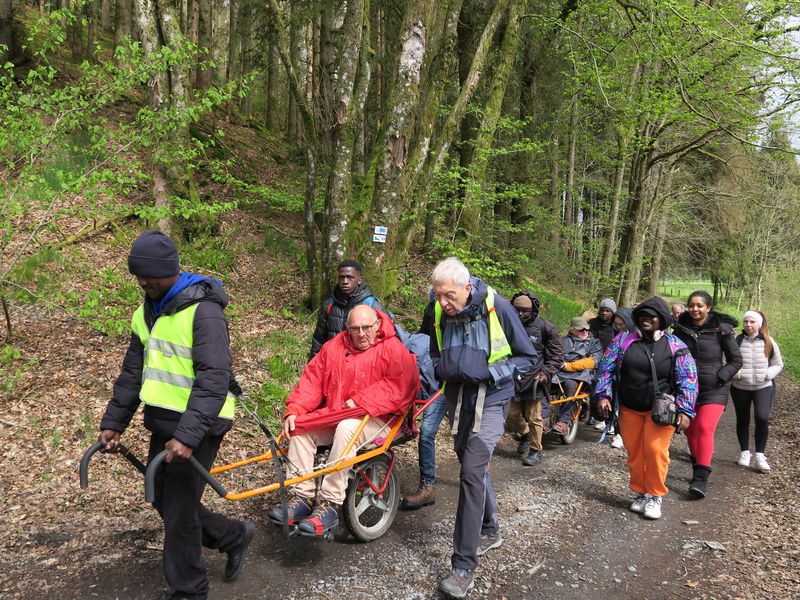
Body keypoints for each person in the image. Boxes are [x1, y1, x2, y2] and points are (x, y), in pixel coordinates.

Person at [97, 230, 255, 600]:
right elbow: (132, 373)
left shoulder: (205, 312)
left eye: (148, 274)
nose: (142, 281)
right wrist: (113, 422)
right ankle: (234, 536)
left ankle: (190, 591)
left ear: (168, 271)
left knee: (180, 511)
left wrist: (188, 435)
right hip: (164, 421)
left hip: (202, 422)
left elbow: (214, 379)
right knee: (162, 501)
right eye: (137, 274)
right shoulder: (146, 312)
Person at [430, 257, 537, 599]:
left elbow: (528, 357)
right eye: (437, 295)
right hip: (457, 399)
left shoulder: (497, 307)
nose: (442, 303)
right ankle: (491, 527)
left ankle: (463, 567)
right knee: (470, 464)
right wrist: (438, 367)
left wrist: (490, 373)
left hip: (491, 400)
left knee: (471, 472)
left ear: (467, 287)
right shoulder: (436, 310)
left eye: (449, 295)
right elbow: (430, 349)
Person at [267, 305, 419, 534]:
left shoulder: (392, 348)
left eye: (367, 328)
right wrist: (295, 409)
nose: (361, 334)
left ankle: (330, 503)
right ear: (347, 328)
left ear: (377, 326)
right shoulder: (334, 347)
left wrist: (362, 400)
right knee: (300, 428)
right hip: (338, 414)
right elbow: (312, 380)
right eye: (355, 329)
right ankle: (301, 496)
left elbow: (400, 385)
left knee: (348, 428)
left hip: (379, 418)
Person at [594, 297, 698, 520]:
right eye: (642, 316)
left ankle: (655, 495)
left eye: (652, 316)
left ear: (661, 319)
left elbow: (688, 378)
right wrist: (604, 395)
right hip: (630, 408)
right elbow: (605, 370)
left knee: (655, 451)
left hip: (661, 411)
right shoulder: (622, 341)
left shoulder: (675, 345)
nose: (646, 319)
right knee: (635, 454)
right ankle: (641, 492)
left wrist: (686, 411)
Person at [672, 290, 742, 498]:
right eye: (691, 305)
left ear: (708, 308)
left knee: (704, 427)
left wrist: (720, 376)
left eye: (700, 306)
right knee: (690, 431)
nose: (695, 309)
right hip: (687, 389)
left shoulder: (722, 329)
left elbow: (736, 360)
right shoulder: (679, 328)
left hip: (715, 388)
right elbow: (671, 354)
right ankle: (699, 461)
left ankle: (700, 479)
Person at [506, 291, 564, 466]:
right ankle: (525, 436)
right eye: (517, 310)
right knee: (512, 416)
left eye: (525, 311)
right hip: (512, 377)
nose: (520, 314)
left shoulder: (545, 327)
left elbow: (557, 355)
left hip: (535, 380)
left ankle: (536, 449)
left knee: (534, 417)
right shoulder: (507, 325)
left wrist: (546, 373)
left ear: (533, 310)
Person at [731, 310, 783, 472]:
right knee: (743, 418)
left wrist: (768, 374)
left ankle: (760, 455)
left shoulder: (769, 341)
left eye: (752, 322)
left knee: (762, 417)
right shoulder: (736, 341)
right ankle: (745, 453)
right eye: (746, 322)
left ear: (759, 324)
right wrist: (736, 374)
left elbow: (778, 364)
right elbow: (727, 361)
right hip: (740, 387)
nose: (748, 325)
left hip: (763, 387)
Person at [309, 259, 388, 360]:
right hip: (334, 362)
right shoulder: (329, 305)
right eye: (341, 277)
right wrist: (312, 368)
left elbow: (388, 339)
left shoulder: (372, 305)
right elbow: (319, 340)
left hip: (364, 364)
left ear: (359, 280)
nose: (345, 281)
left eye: (350, 277)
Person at [550, 317, 602, 436]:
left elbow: (594, 361)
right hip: (558, 373)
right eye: (581, 330)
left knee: (570, 386)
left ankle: (563, 422)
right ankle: (541, 417)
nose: (584, 332)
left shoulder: (594, 343)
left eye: (586, 329)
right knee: (542, 385)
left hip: (580, 376)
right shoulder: (562, 341)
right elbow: (554, 355)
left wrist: (570, 366)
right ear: (572, 329)